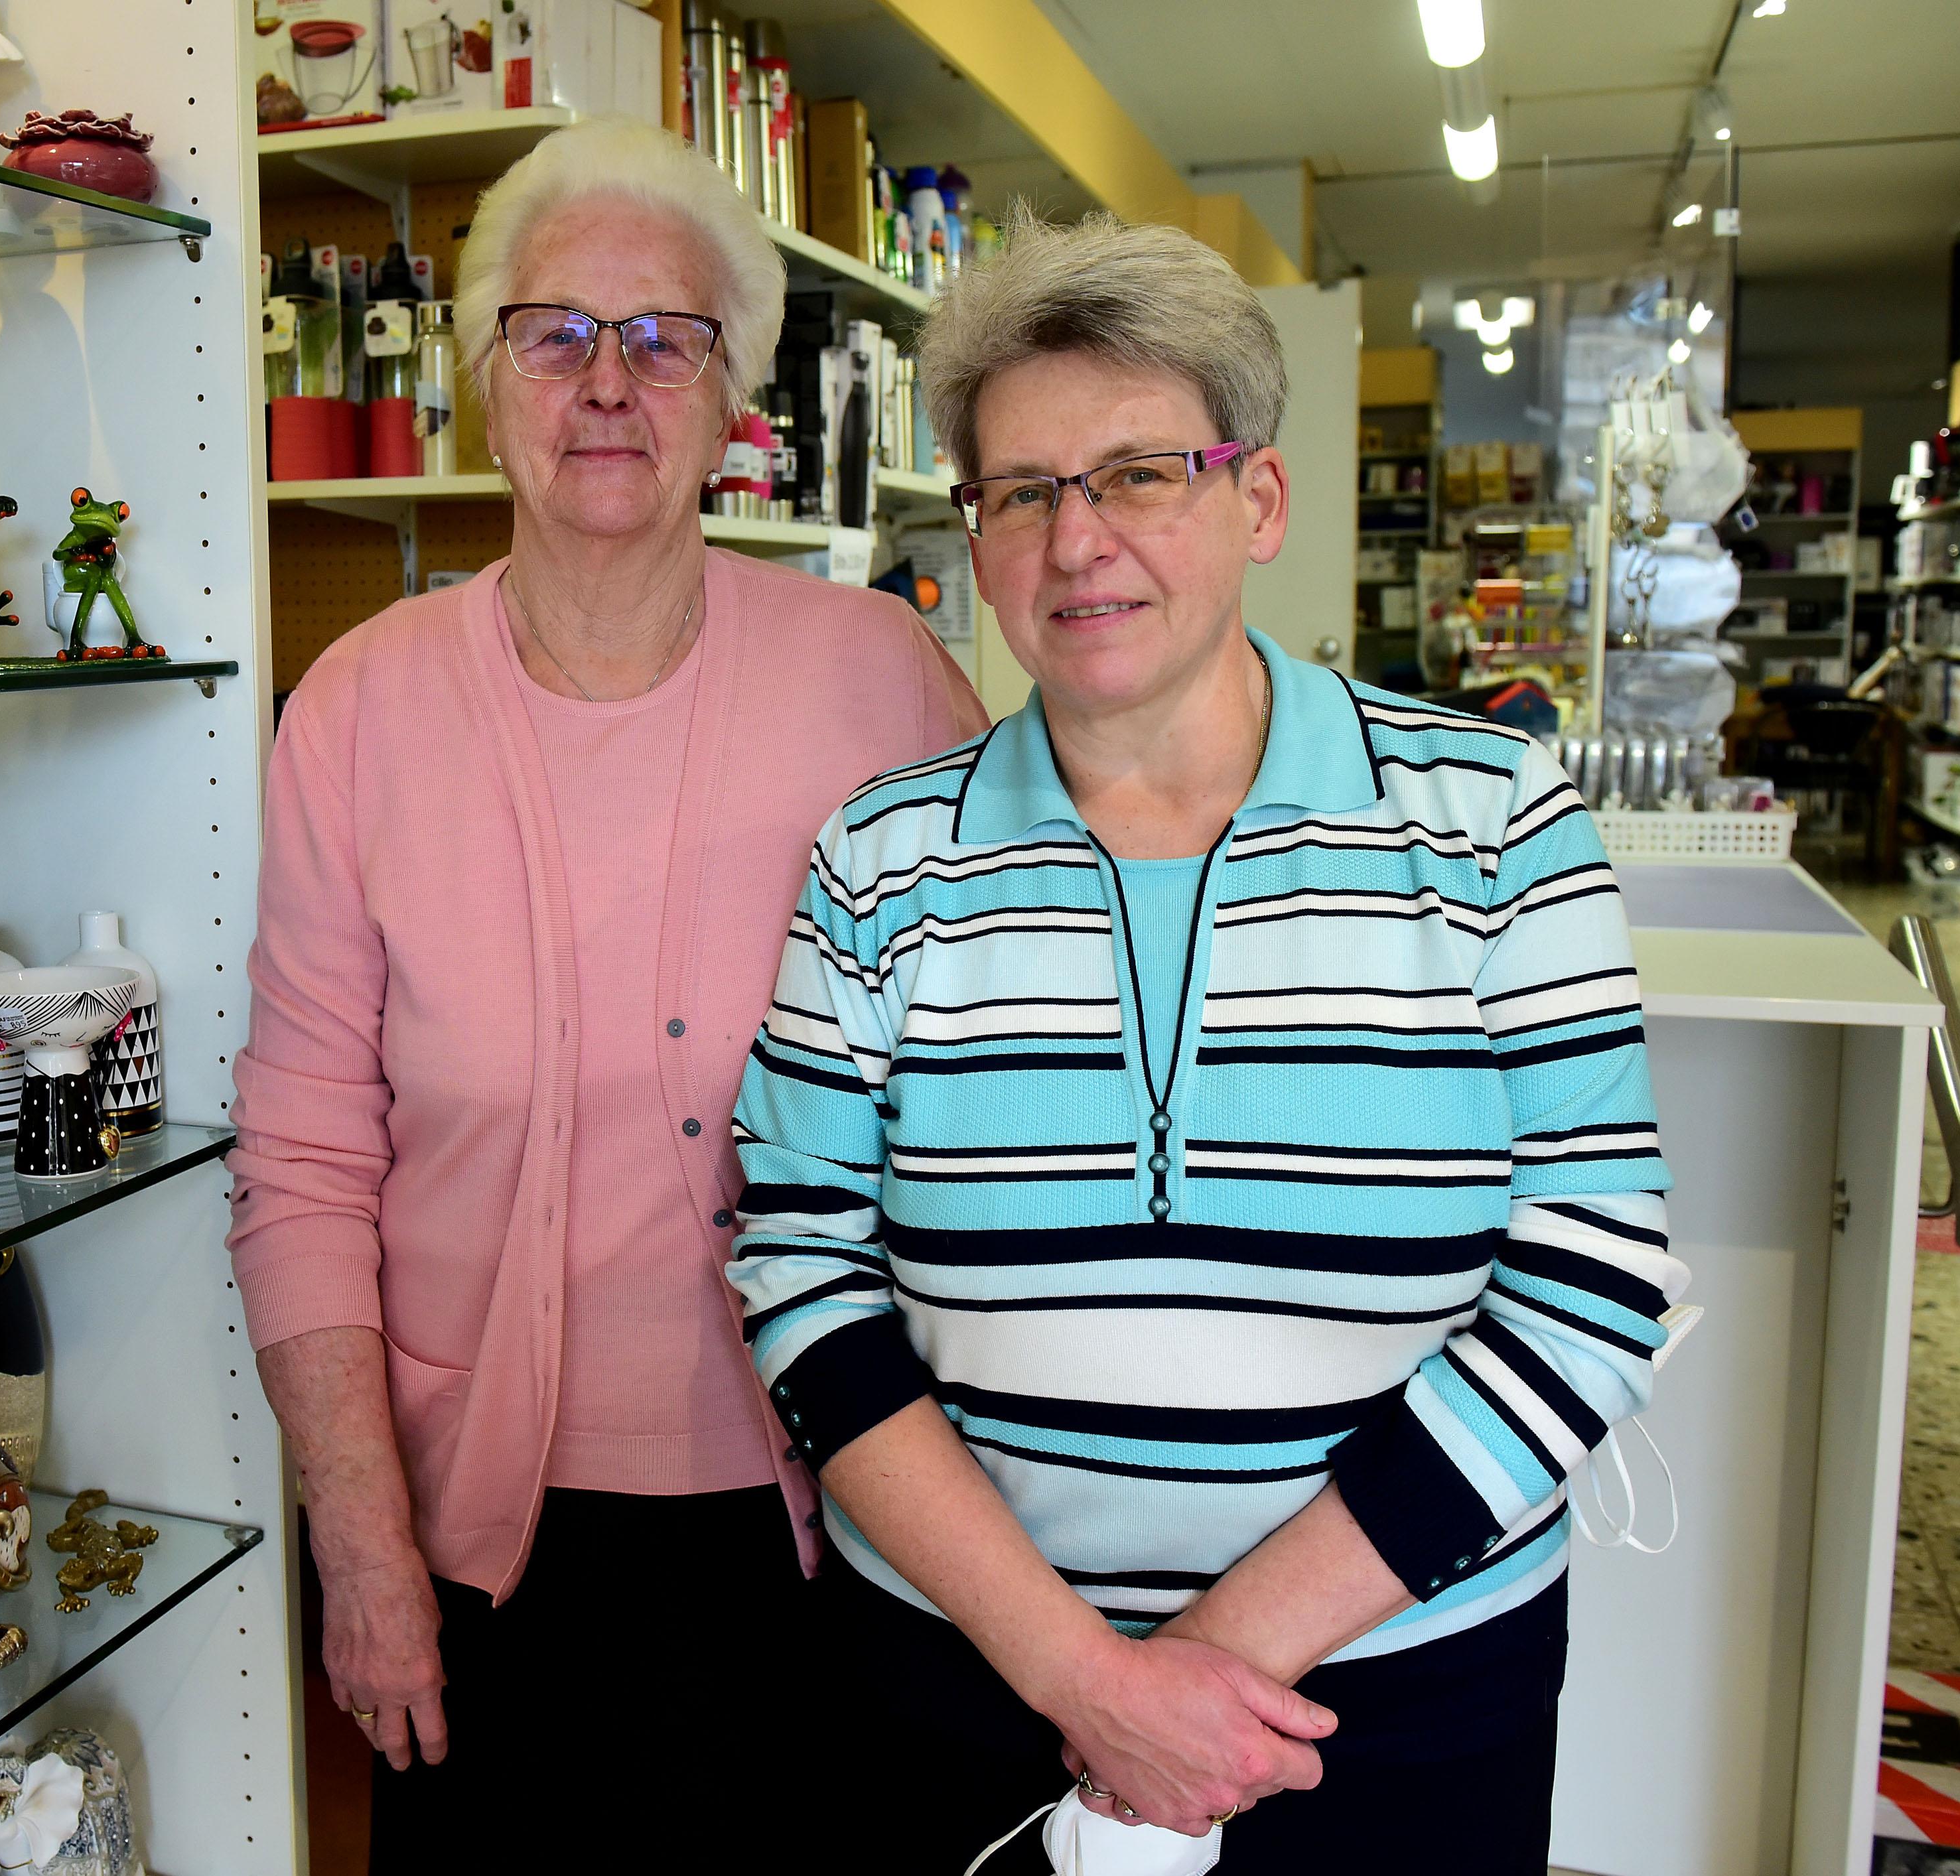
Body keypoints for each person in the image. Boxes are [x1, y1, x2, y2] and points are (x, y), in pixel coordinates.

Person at [726, 210, 1687, 1873]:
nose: (1075, 538)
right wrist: (1080, 1674)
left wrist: (1205, 1673)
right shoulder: (879, 862)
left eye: (1139, 472)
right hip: (972, 1693)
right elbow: (800, 1270)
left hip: (1382, 1706)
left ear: (1259, 498)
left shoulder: (1487, 822)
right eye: (1020, 490)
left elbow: (1593, 1276)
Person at [224, 117, 987, 1865]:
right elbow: (304, 1150)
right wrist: (357, 1538)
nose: (610, 382)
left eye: (669, 338)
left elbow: (1017, 1054)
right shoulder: (359, 711)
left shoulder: (881, 681)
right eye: (557, 330)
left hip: (840, 1517)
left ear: (736, 402)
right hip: (476, 1549)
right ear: (485, 381)